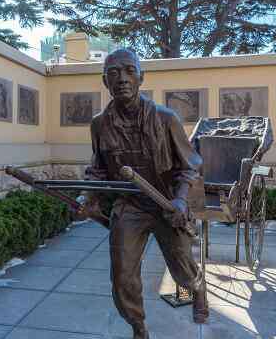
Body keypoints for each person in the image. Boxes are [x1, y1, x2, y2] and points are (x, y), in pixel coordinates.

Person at [76, 48, 208, 339]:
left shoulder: (166, 119)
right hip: (130, 206)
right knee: (122, 277)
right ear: (104, 81)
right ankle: (138, 326)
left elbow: (191, 166)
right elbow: (97, 168)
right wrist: (88, 197)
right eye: (113, 72)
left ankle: (198, 288)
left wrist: (180, 199)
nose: (121, 78)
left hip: (166, 203)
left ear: (141, 77)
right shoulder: (99, 124)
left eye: (128, 71)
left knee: (182, 270)